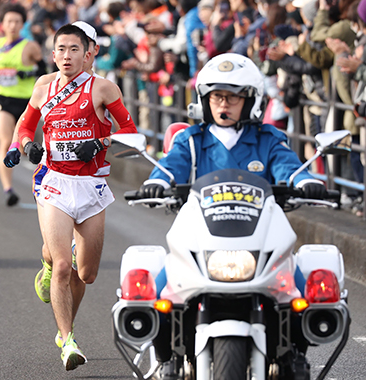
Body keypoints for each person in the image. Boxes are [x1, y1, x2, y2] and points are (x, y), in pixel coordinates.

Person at [139, 53, 327, 379]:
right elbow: (171, 165)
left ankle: (296, 354)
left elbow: (287, 165)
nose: (223, 104)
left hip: (259, 234)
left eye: (233, 97)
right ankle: (165, 357)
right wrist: (157, 182)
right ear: (204, 100)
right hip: (202, 234)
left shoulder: (267, 139)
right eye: (216, 97)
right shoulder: (191, 140)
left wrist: (305, 180)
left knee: (305, 292)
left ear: (251, 100)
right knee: (152, 294)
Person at [16, 24, 137, 370]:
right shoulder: (43, 86)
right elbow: (25, 126)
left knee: (86, 273)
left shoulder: (103, 89)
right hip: (54, 182)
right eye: (60, 50)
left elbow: (131, 133)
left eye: (73, 49)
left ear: (87, 53)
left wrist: (100, 143)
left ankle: (53, 267)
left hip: (92, 186)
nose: (66, 56)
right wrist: (28, 145)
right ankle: (67, 339)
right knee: (64, 267)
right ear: (52, 54)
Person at [0, 2, 45, 206]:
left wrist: (26, 73)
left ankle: (39, 185)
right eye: (9, 21)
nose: (12, 25)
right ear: (2, 23)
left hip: (26, 102)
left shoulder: (30, 46)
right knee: (5, 141)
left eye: (17, 21)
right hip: (2, 99)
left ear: (23, 24)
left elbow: (44, 73)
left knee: (21, 144)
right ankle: (8, 189)